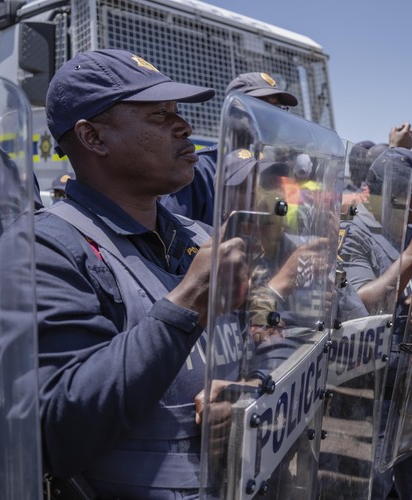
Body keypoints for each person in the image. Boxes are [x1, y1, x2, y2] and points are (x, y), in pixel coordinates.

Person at [13, 48, 249, 498]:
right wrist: (185, 306)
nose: (185, 127)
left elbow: (254, 350)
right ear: (93, 137)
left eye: (179, 112)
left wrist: (245, 391)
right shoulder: (44, 249)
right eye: (160, 115)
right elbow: (58, 429)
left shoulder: (198, 236)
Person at [340, 146, 412, 499]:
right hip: (374, 390)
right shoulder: (354, 232)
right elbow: (358, 306)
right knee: (374, 485)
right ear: (398, 190)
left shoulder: (411, 229)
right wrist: (411, 258)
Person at [160, 71, 298, 224]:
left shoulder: (272, 168)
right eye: (263, 107)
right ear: (233, 109)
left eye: (278, 109)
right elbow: (171, 236)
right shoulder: (199, 169)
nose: (274, 117)